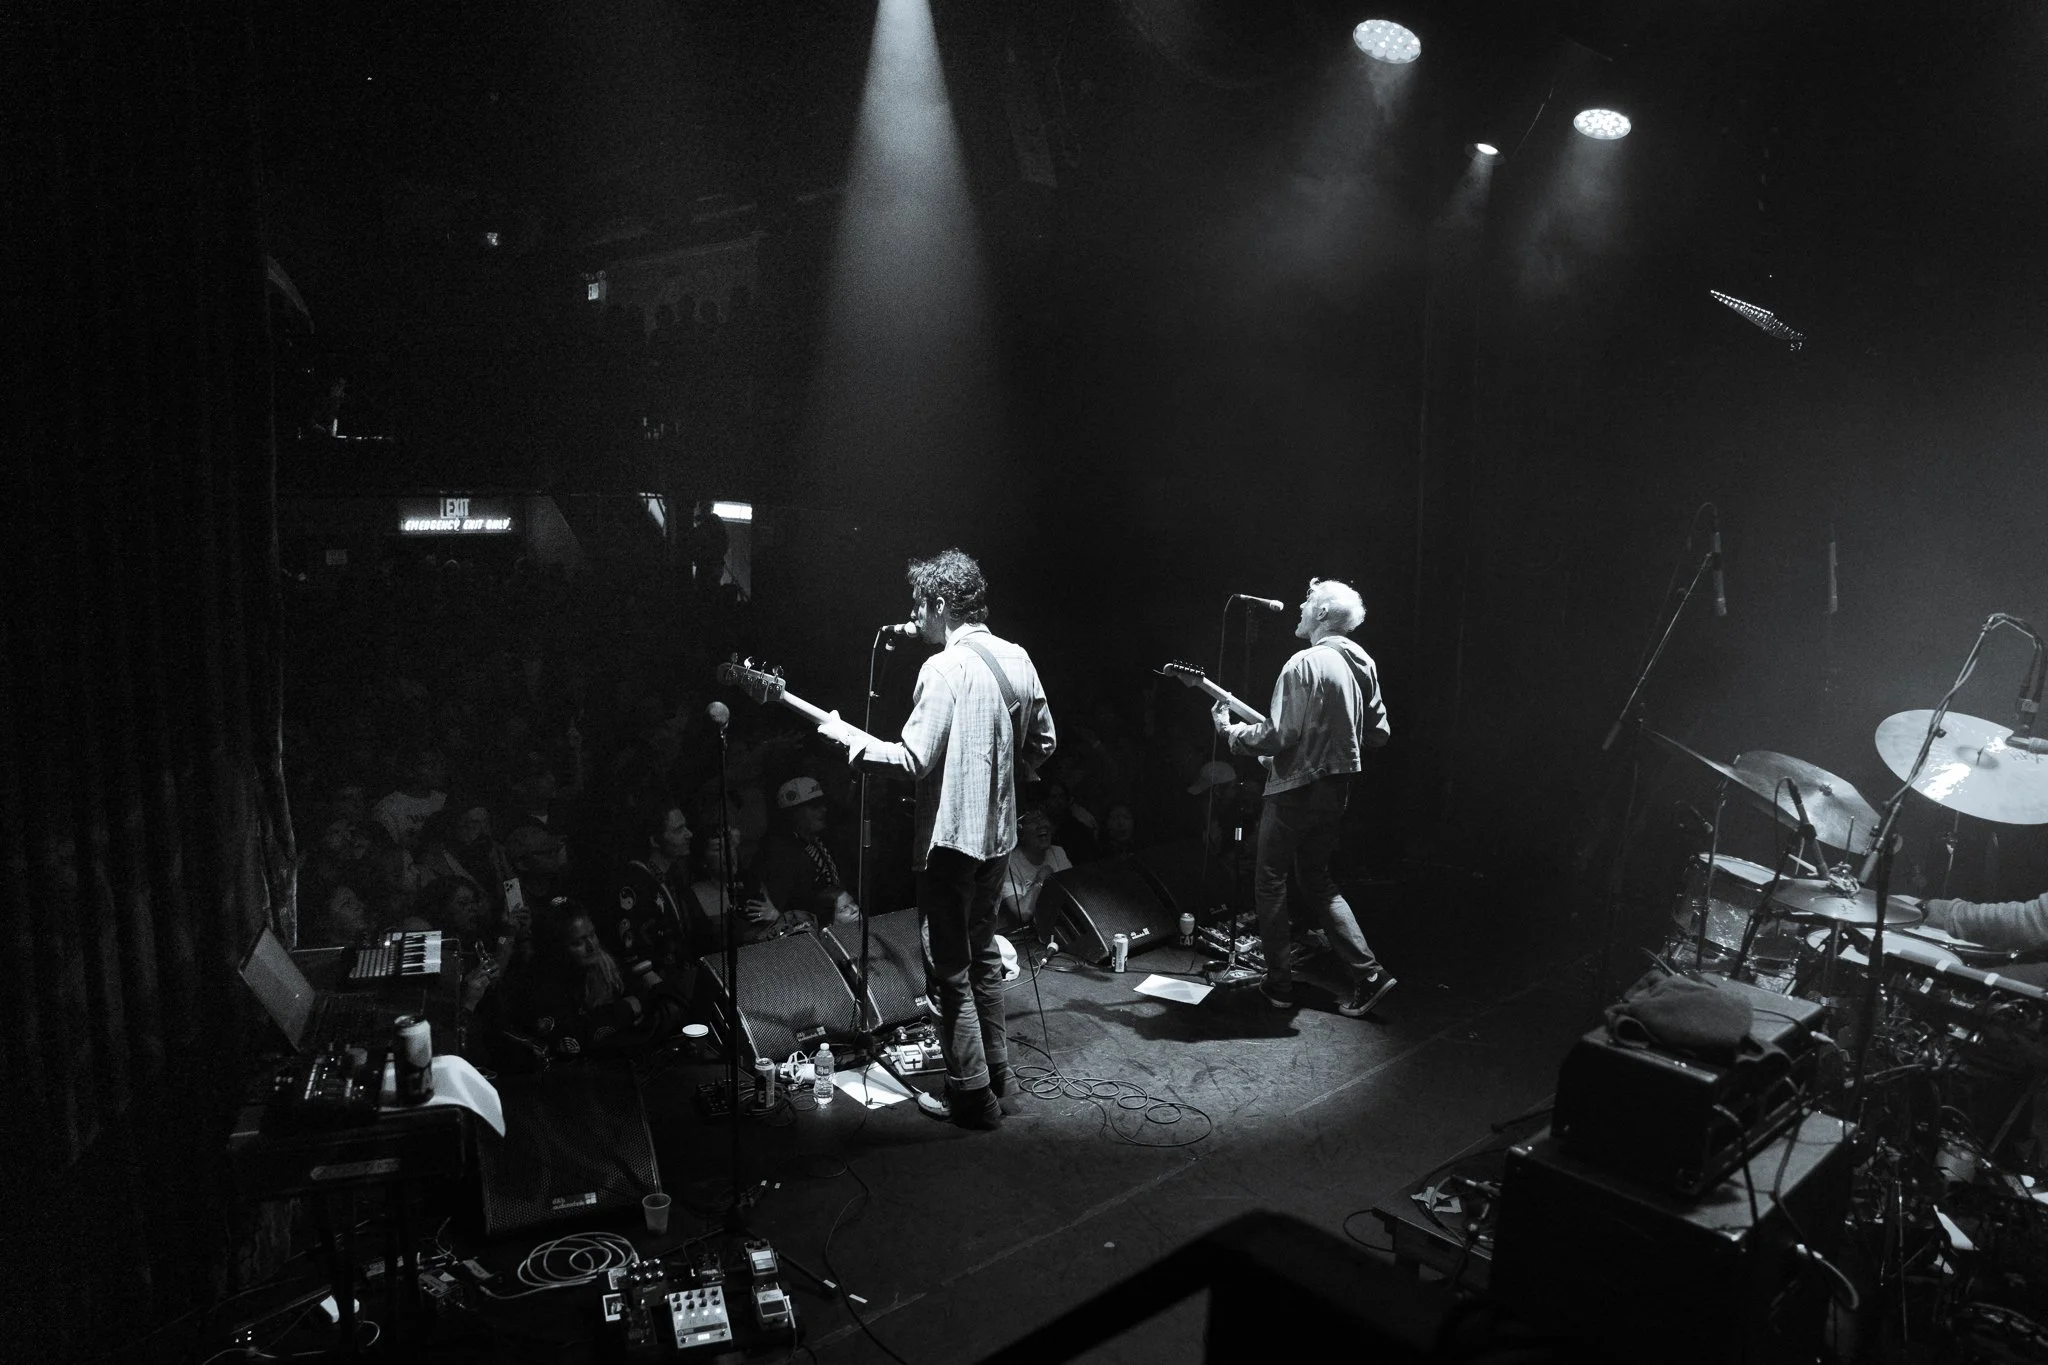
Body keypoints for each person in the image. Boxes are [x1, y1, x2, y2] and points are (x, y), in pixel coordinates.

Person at [817, 549, 1056, 1128]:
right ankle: (995, 1076)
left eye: (919, 607)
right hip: (998, 841)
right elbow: (1044, 743)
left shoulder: (943, 667)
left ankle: (972, 1097)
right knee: (981, 962)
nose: (915, 618)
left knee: (949, 972)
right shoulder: (1017, 657)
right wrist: (1001, 775)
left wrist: (846, 737)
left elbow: (911, 759)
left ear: (941, 605)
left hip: (950, 845)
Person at [1213, 577, 1395, 1018]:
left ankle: (1278, 986)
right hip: (1337, 792)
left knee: (1270, 881)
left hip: (1295, 792)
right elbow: (1379, 734)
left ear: (1322, 614)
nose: (1300, 605)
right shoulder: (1361, 663)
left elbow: (1277, 736)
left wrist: (1232, 733)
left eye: (1308, 600)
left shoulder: (1303, 663)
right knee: (1316, 879)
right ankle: (1369, 974)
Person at [750, 776, 856, 929]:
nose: (823, 810)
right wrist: (779, 918)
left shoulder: (822, 840)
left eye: (822, 804)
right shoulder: (780, 853)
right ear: (793, 813)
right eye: (814, 806)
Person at [1002, 805, 1071, 939]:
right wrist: (1040, 880)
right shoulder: (1010, 863)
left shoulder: (1058, 852)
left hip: (1061, 930)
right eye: (1033, 821)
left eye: (1043, 819)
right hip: (1026, 937)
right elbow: (1023, 913)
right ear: (1021, 834)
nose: (1042, 825)